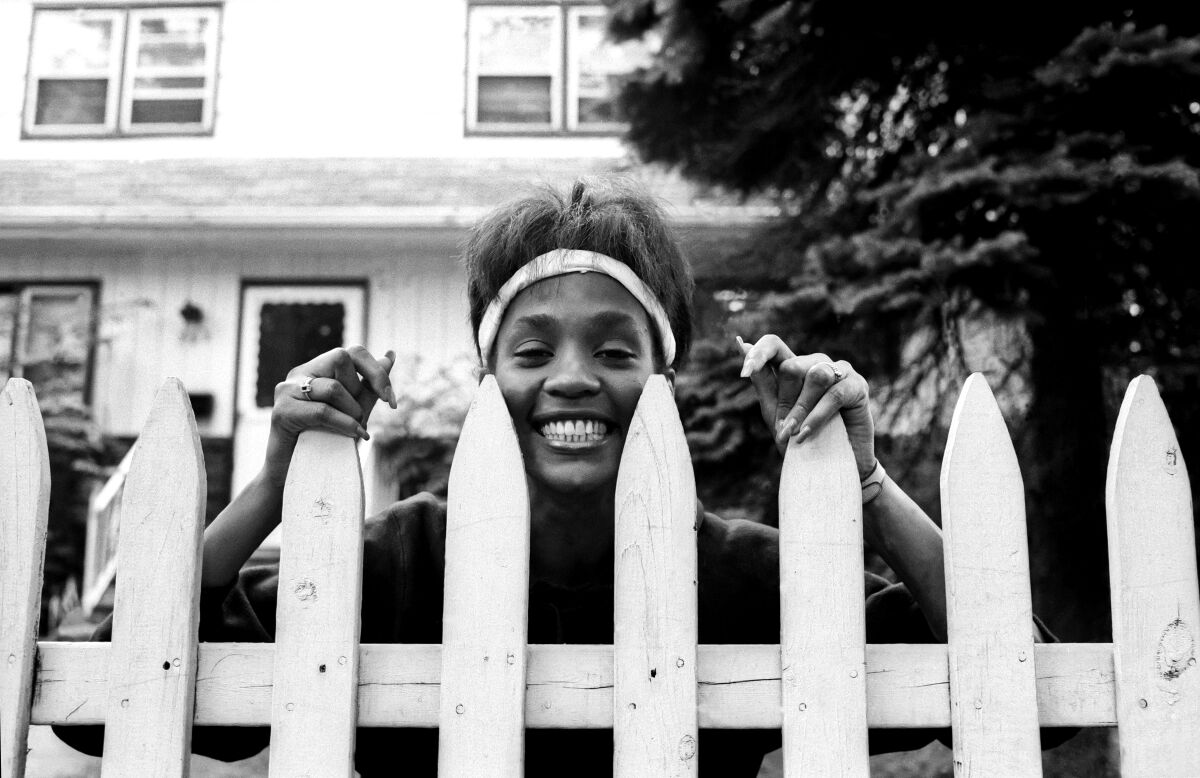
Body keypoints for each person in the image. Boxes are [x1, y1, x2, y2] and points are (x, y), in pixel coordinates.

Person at [56, 177, 1066, 776]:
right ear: (488, 376)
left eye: (617, 351)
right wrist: (276, 484)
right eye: (532, 349)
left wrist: (868, 489)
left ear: (664, 377)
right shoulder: (392, 563)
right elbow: (99, 700)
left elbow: (1021, 683)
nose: (574, 377)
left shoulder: (750, 576)